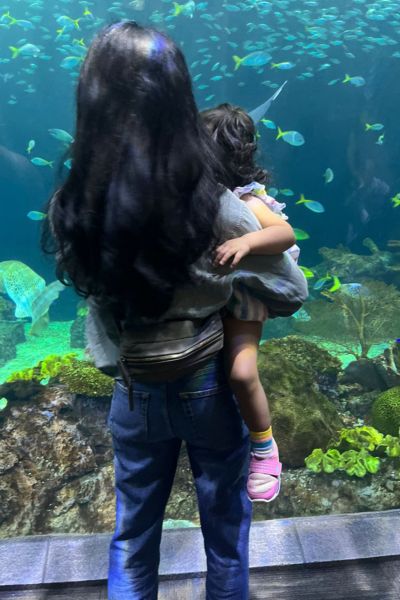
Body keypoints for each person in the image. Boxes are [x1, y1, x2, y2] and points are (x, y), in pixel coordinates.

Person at [42, 22, 308, 600]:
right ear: (177, 102)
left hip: (134, 390)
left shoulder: (73, 208)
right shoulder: (214, 204)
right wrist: (242, 295)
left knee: (132, 537)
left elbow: (95, 298)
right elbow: (291, 287)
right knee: (225, 534)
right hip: (207, 385)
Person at [201, 103, 300, 503]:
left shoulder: (249, 198)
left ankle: (264, 448)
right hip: (209, 292)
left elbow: (285, 235)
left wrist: (245, 240)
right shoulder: (189, 195)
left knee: (241, 373)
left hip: (245, 295)